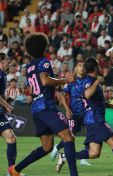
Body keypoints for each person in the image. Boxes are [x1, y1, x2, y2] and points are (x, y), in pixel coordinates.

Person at [56, 58, 113, 176]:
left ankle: (66, 156)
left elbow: (99, 101)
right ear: (95, 68)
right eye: (98, 66)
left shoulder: (92, 80)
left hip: (92, 120)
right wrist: (97, 82)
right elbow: (87, 94)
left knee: (94, 153)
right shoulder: (89, 81)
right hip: (94, 119)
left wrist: (112, 106)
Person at [8, 33, 78, 176]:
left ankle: (15, 170)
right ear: (43, 47)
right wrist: (65, 80)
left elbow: (34, 88)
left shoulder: (28, 67)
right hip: (46, 107)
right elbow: (45, 81)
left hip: (36, 109)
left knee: (47, 147)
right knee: (68, 137)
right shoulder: (44, 62)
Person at [50, 61, 91, 167]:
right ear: (76, 69)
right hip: (74, 113)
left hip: (86, 112)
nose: (82, 68)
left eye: (83, 66)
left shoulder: (88, 79)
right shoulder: (71, 81)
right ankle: (57, 147)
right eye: (80, 66)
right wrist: (67, 109)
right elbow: (62, 95)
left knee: (90, 134)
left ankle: (83, 158)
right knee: (71, 136)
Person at [0, 53, 18, 176]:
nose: (9, 63)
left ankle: (11, 171)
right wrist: (7, 105)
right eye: (7, 60)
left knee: (11, 138)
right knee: (11, 138)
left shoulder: (3, 75)